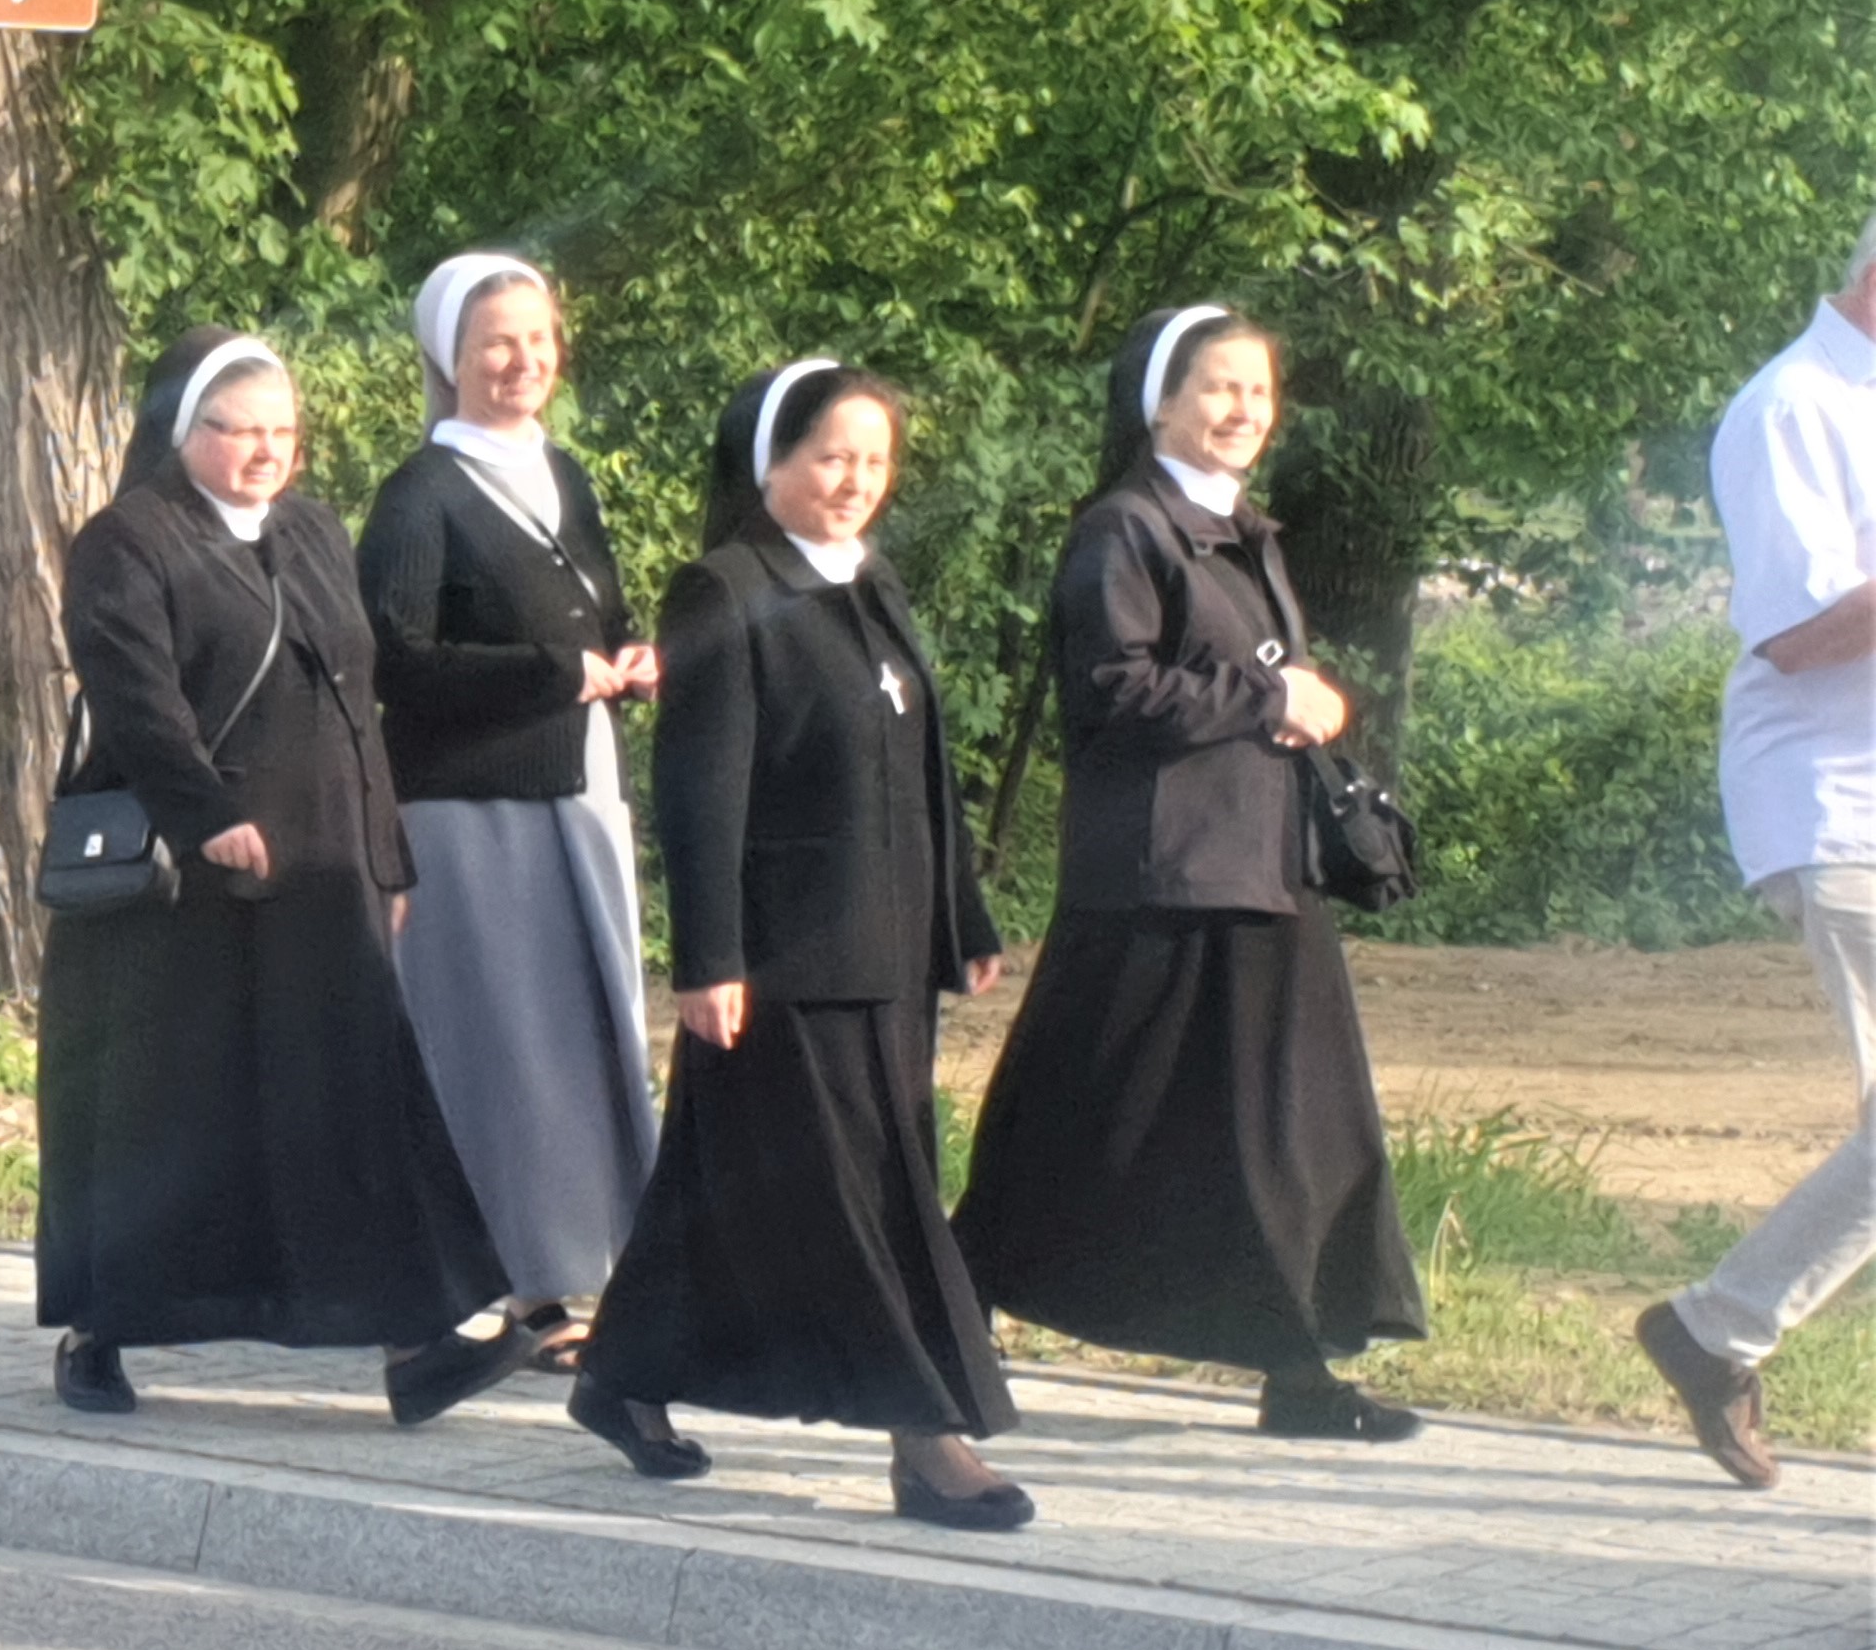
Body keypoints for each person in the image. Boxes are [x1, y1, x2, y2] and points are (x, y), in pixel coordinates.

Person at [954, 305, 1428, 1441]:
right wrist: (1272, 697)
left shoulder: (1244, 530)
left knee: (1297, 1130)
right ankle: (951, 1304)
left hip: (1263, 869)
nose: (1243, 411)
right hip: (1160, 881)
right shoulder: (1124, 531)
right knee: (1083, 1114)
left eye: (1259, 392)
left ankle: (1299, 1371)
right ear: (1158, 403)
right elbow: (1109, 693)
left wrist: (1291, 707)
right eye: (1219, 387)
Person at [37, 329, 526, 1425]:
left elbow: (355, 702)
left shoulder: (311, 530)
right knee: (164, 1115)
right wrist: (207, 814)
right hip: (189, 892)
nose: (265, 453)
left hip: (322, 875)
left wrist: (385, 853)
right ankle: (101, 1327)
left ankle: (418, 1340)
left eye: (283, 433)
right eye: (238, 432)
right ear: (182, 429)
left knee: (354, 1105)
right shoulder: (128, 541)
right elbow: (135, 696)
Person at [574, 360, 1029, 1528]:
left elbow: (924, 770)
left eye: (875, 461)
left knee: (723, 1183)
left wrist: (963, 916)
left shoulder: (869, 578)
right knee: (863, 1197)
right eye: (831, 457)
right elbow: (702, 789)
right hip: (787, 958)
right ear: (769, 463)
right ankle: (926, 1436)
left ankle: (624, 1373)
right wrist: (709, 958)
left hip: (889, 947)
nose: (855, 481)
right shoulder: (723, 590)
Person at [356, 253, 660, 1368]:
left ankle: (569, 1270)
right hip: (473, 810)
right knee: (508, 1055)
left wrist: (632, 655)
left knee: (580, 1045)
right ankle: (515, 1285)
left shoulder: (561, 473)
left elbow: (597, 616)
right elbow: (394, 658)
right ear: (451, 357)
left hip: (578, 790)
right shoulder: (421, 495)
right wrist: (549, 673)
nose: (523, 360)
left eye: (538, 338)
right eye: (497, 342)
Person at [1633, 216, 1876, 1488]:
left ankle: (1715, 1329)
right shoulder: (1791, 407)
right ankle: (1716, 1327)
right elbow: (1798, 631)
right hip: (1839, 811)